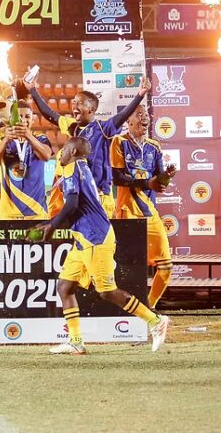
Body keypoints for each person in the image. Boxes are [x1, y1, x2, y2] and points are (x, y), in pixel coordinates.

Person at [33, 137, 170, 355]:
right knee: (65, 287)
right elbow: (76, 206)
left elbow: (72, 204)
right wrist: (53, 224)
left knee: (107, 292)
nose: (61, 153)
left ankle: (155, 321)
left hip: (95, 237)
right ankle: (76, 341)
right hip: (83, 238)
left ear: (74, 151)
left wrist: (52, 225)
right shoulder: (82, 168)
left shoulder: (71, 168)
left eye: (65, 149)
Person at [28, 72, 151, 217]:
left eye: (80, 103)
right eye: (74, 102)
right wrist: (32, 90)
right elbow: (49, 114)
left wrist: (140, 95)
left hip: (99, 196)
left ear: (91, 109)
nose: (74, 105)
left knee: (101, 231)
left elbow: (122, 115)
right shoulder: (72, 126)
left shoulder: (103, 128)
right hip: (79, 196)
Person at [111, 104, 176, 309]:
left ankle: (149, 307)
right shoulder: (119, 142)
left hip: (149, 214)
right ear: (128, 121)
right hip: (127, 213)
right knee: (126, 269)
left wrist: (166, 177)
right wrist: (147, 183)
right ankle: (122, 311)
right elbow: (117, 178)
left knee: (166, 266)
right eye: (139, 115)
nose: (144, 118)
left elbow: (159, 181)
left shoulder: (154, 146)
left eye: (146, 114)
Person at [0, 100, 53, 219]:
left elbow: (46, 156)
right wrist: (6, 140)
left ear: (33, 119)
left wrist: (28, 136)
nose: (23, 120)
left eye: (27, 116)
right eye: (19, 116)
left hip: (36, 211)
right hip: (9, 213)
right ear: (11, 119)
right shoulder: (1, 138)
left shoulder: (40, 138)